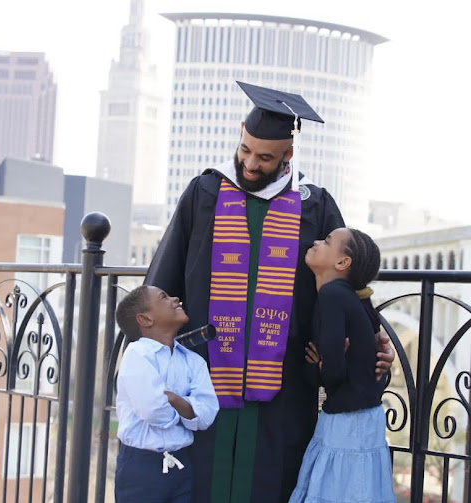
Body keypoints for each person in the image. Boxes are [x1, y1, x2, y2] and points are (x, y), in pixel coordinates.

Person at [145, 81, 395, 503]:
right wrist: (147, 360)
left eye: (264, 157)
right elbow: (161, 282)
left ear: (288, 156)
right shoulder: (204, 192)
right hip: (206, 371)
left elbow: (346, 286)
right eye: (245, 149)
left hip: (283, 380)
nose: (249, 163)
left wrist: (373, 348)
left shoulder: (314, 204)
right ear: (241, 132)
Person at [289, 228, 395, 502]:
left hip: (347, 424)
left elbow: (333, 373)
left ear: (342, 262)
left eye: (326, 242)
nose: (315, 243)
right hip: (362, 419)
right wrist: (322, 366)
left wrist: (317, 368)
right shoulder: (347, 296)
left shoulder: (332, 295)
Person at [114, 285, 219, 503]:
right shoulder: (137, 354)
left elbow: (207, 414)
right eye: (164, 297)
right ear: (145, 320)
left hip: (181, 465)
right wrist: (187, 411)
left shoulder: (193, 361)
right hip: (140, 469)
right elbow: (153, 411)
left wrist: (173, 399)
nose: (176, 299)